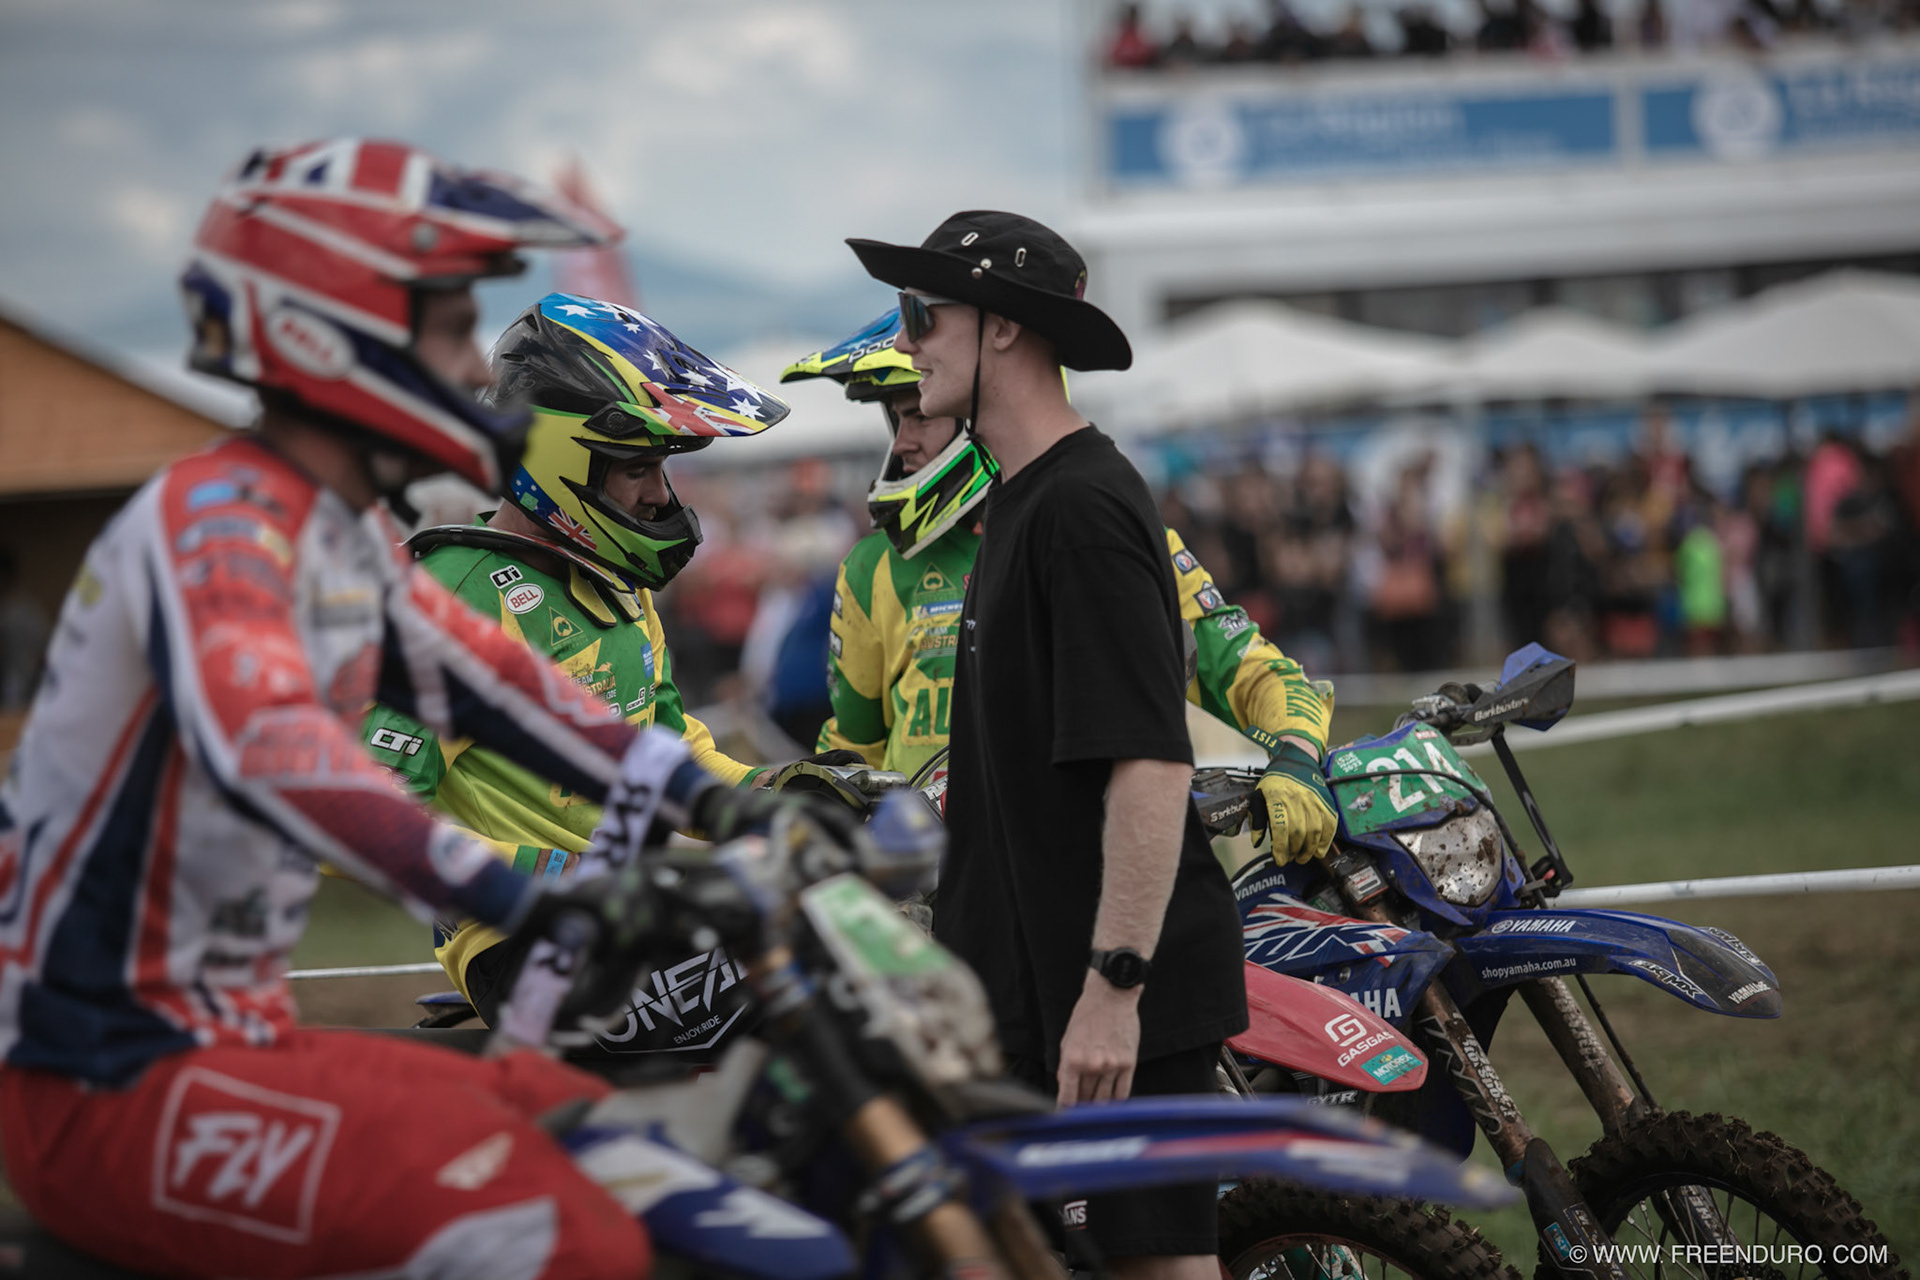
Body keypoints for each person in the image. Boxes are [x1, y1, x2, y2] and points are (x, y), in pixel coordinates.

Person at [0, 138, 806, 1280]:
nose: (474, 363)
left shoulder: (336, 538)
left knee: (636, 1161)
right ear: (329, 340)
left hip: (229, 1041)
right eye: (448, 326)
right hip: (109, 1074)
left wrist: (744, 808)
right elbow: (285, 755)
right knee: (567, 1233)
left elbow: (509, 689)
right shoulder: (218, 523)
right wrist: (541, 892)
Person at [848, 211, 1335, 1279]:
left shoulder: (1083, 507)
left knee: (1157, 1268)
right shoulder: (1020, 501)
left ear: (1004, 327)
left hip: (1105, 1010)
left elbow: (1149, 768)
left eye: (922, 313)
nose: (906, 339)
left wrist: (1114, 994)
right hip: (1033, 1003)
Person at [361, 292, 808, 1054]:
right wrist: (555, 872)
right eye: (637, 467)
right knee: (817, 971)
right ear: (558, 459)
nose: (658, 495)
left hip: (635, 917)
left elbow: (669, 753)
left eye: (661, 468)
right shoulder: (453, 594)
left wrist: (779, 791)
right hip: (524, 942)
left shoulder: (617, 584)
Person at [782, 309, 1336, 870]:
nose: (902, 443)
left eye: (918, 415)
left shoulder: (1112, 528)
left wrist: (1297, 756)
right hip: (936, 883)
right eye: (896, 420)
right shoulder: (871, 567)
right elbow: (853, 753)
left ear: (972, 411)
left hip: (1091, 866)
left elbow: (1250, 668)